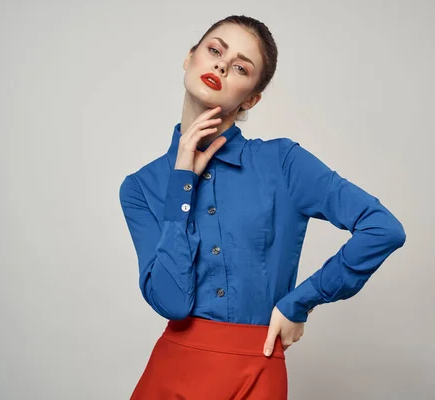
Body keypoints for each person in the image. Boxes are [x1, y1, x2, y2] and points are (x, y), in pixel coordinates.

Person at [119, 14, 406, 400]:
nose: (221, 64)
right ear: (190, 57)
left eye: (240, 67)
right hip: (172, 374)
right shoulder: (139, 188)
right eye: (214, 50)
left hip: (257, 370)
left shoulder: (283, 163)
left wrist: (299, 303)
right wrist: (182, 179)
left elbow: (383, 228)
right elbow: (172, 303)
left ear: (251, 98)